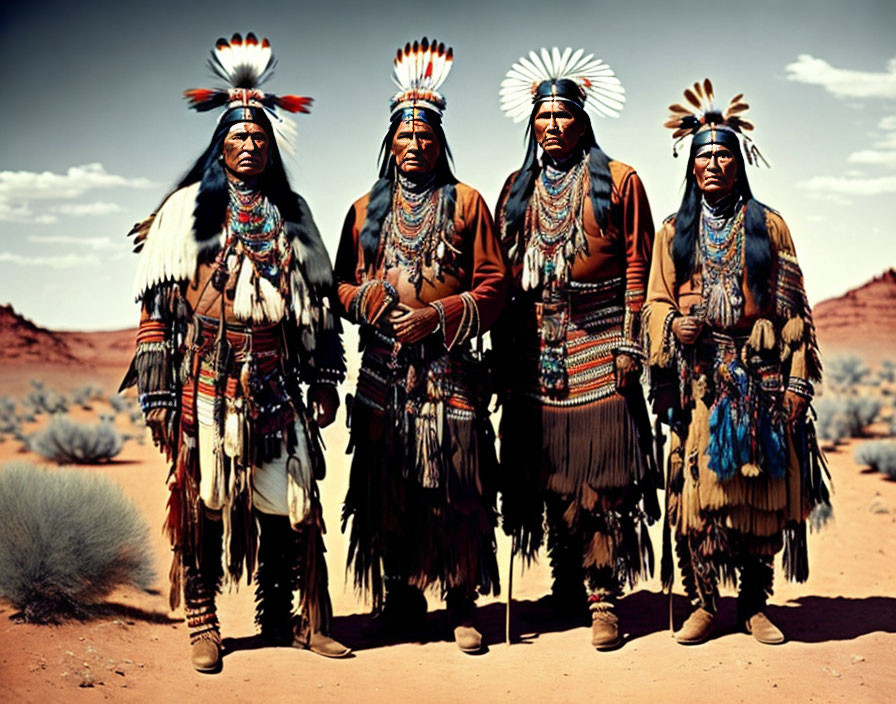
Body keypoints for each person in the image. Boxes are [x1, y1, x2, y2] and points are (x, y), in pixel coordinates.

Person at [121, 33, 350, 671]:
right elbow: (156, 307)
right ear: (220, 145)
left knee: (292, 503)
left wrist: (326, 375)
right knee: (206, 499)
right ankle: (203, 618)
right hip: (208, 378)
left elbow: (318, 303)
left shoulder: (293, 214)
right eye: (238, 136)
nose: (250, 144)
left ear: (271, 147)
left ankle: (289, 618)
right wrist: (160, 388)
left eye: (259, 137)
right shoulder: (184, 212)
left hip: (276, 378)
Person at [335, 38, 507, 654]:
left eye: (426, 137)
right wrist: (368, 302)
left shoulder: (467, 204)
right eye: (405, 137)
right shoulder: (364, 211)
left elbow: (494, 287)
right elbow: (339, 286)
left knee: (456, 489)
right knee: (389, 488)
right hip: (384, 376)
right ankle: (401, 598)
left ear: (440, 143)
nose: (415, 146)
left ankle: (461, 601)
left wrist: (438, 315)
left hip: (450, 373)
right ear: (391, 142)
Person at [643, 79, 831, 645]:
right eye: (704, 156)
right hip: (700, 380)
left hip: (760, 379)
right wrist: (673, 325)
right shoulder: (674, 233)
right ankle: (704, 602)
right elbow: (653, 302)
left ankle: (754, 604)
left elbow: (795, 309)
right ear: (691, 166)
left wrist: (798, 381)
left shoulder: (769, 226)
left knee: (760, 497)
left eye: (725, 154)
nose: (715, 164)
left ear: (740, 161)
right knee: (695, 496)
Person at [493, 47, 660, 650]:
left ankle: (602, 594)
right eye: (544, 118)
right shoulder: (517, 188)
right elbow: (502, 275)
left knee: (600, 482)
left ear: (583, 122)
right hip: (537, 349)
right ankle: (565, 585)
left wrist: (628, 343)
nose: (554, 127)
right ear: (531, 124)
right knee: (546, 477)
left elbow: (639, 262)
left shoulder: (619, 182)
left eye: (565, 116)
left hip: (598, 340)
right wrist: (504, 353)